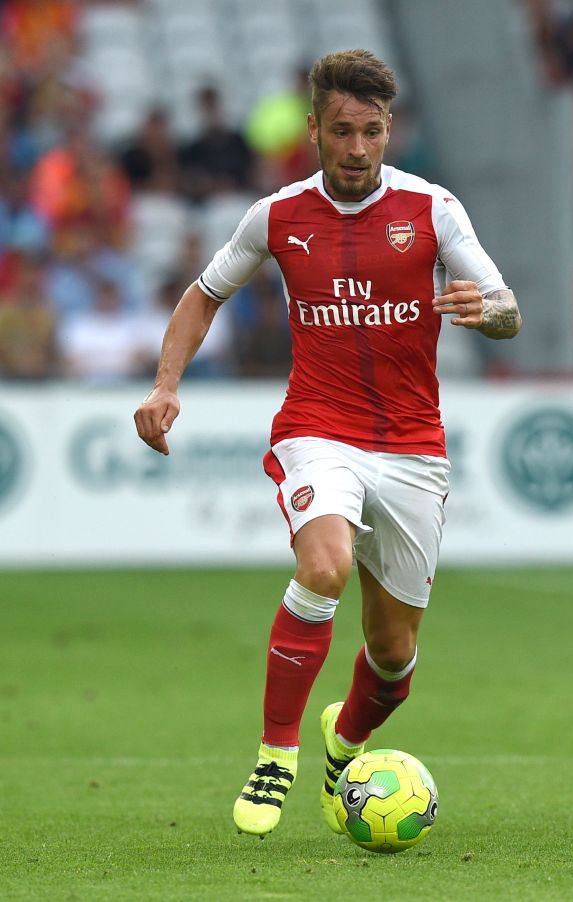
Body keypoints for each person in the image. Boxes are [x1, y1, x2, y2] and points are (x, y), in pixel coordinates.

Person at [133, 48, 522, 838]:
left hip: (414, 447)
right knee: (323, 564)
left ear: (389, 131)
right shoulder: (276, 216)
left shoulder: (433, 207)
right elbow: (204, 295)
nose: (355, 149)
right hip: (320, 428)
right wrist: (166, 384)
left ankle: (344, 741)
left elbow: (507, 303)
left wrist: (491, 311)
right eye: (341, 131)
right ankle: (276, 753)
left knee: (393, 658)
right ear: (313, 128)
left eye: (370, 132)